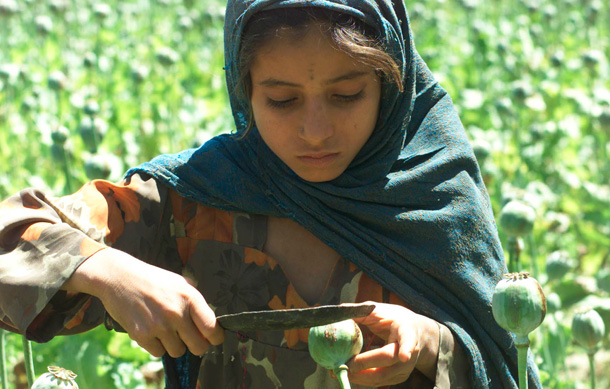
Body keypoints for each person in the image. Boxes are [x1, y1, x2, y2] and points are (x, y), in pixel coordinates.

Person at [0, 0, 543, 388]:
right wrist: (109, 271)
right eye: (282, 100)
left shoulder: (433, 198)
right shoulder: (192, 200)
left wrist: (431, 346)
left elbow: (503, 366)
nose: (314, 131)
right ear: (245, 89)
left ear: (392, 83)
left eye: (347, 94)